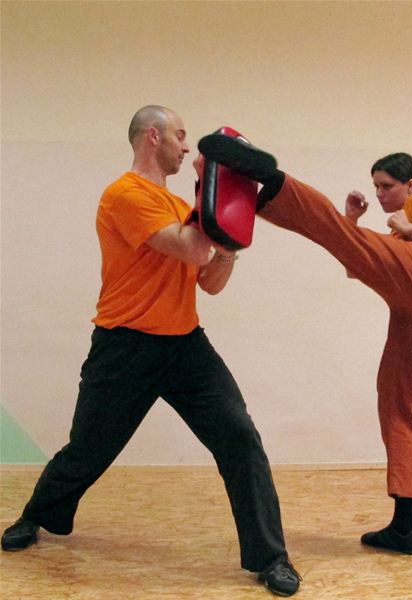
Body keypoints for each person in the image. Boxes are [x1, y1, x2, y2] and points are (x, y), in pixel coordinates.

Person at [1, 106, 301, 597]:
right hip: (125, 345)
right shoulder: (125, 194)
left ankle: (271, 557)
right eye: (181, 136)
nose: (187, 146)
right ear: (153, 136)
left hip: (185, 346)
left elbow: (210, 281)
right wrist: (215, 187)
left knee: (239, 435)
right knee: (88, 450)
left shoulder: (179, 204)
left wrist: (230, 244)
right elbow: (190, 247)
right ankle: (36, 515)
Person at [197, 133, 412, 555]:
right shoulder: (393, 237)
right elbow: (354, 263)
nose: (381, 194)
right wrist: (352, 220)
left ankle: (273, 182)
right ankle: (404, 528)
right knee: (395, 405)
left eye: (388, 186)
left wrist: (411, 226)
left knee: (341, 236)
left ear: (410, 185)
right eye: (376, 186)